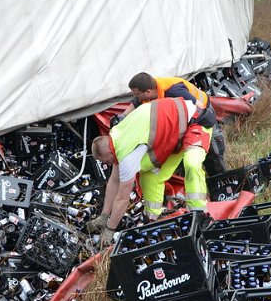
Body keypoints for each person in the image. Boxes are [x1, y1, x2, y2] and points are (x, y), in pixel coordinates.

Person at [88, 97, 209, 244]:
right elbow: (113, 181)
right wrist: (104, 215)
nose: (105, 164)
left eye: (103, 161)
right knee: (150, 175)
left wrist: (110, 229)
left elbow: (122, 198)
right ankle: (153, 220)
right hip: (174, 132)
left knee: (192, 163)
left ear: (108, 152)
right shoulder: (116, 136)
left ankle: (199, 217)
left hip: (196, 121)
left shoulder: (126, 156)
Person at [118, 72, 228, 177]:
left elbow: (200, 107)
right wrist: (122, 117)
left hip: (202, 114)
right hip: (183, 116)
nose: (135, 97)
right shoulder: (149, 90)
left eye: (137, 94)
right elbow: (135, 102)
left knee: (210, 151)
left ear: (148, 92)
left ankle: (220, 179)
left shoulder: (175, 91)